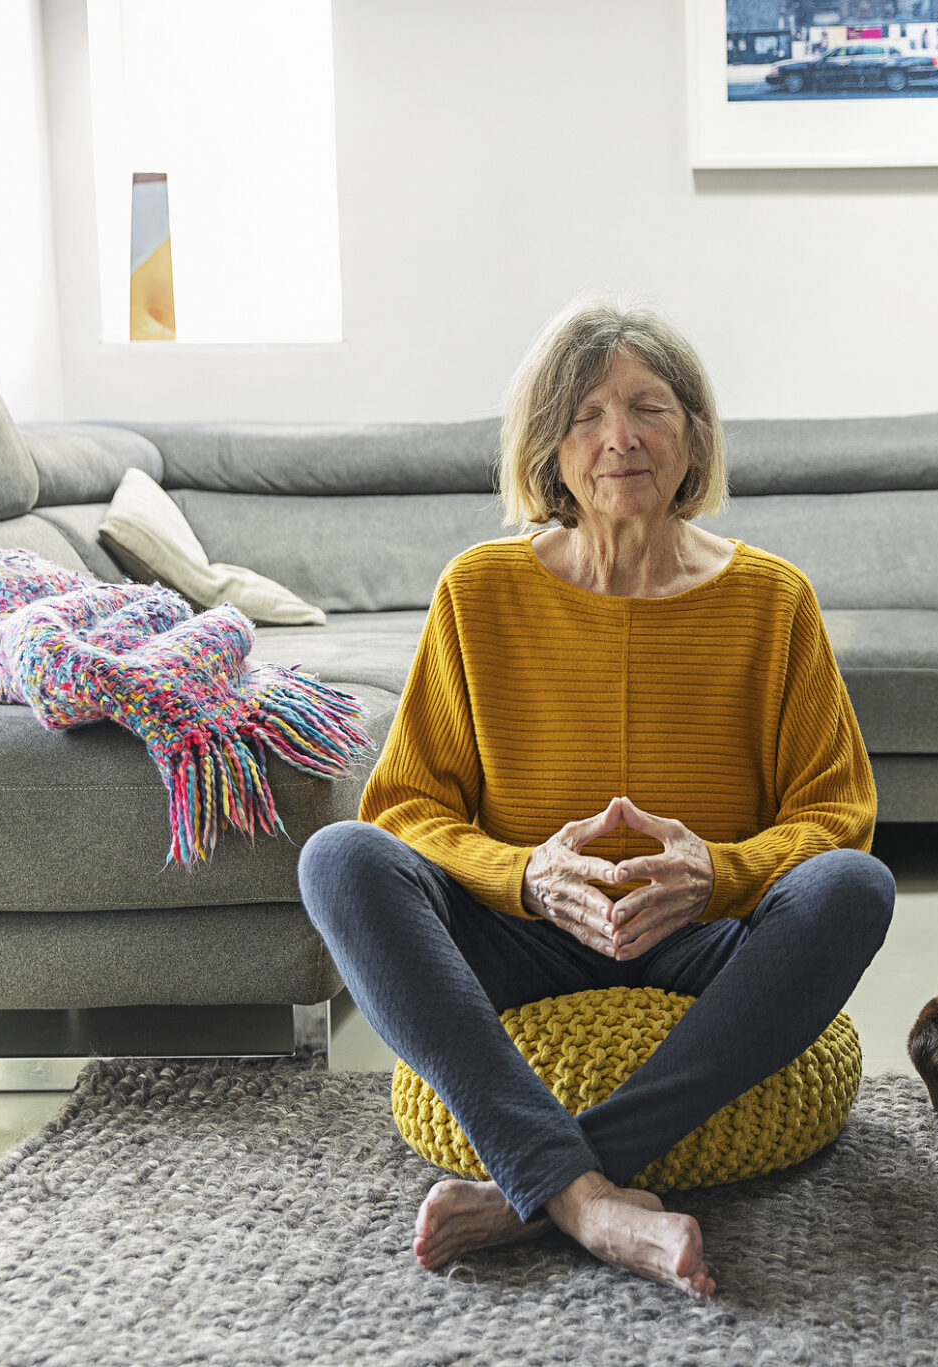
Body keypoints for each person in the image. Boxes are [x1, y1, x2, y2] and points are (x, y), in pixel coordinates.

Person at [297, 297, 895, 1300]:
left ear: (692, 437)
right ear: (549, 448)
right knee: (339, 858)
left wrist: (719, 870)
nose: (619, 437)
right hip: (518, 932)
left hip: (701, 938)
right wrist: (526, 873)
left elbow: (837, 812)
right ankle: (588, 1198)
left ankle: (530, 1184)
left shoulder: (772, 599)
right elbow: (404, 807)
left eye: (648, 407)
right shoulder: (479, 589)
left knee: (855, 885)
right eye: (585, 414)